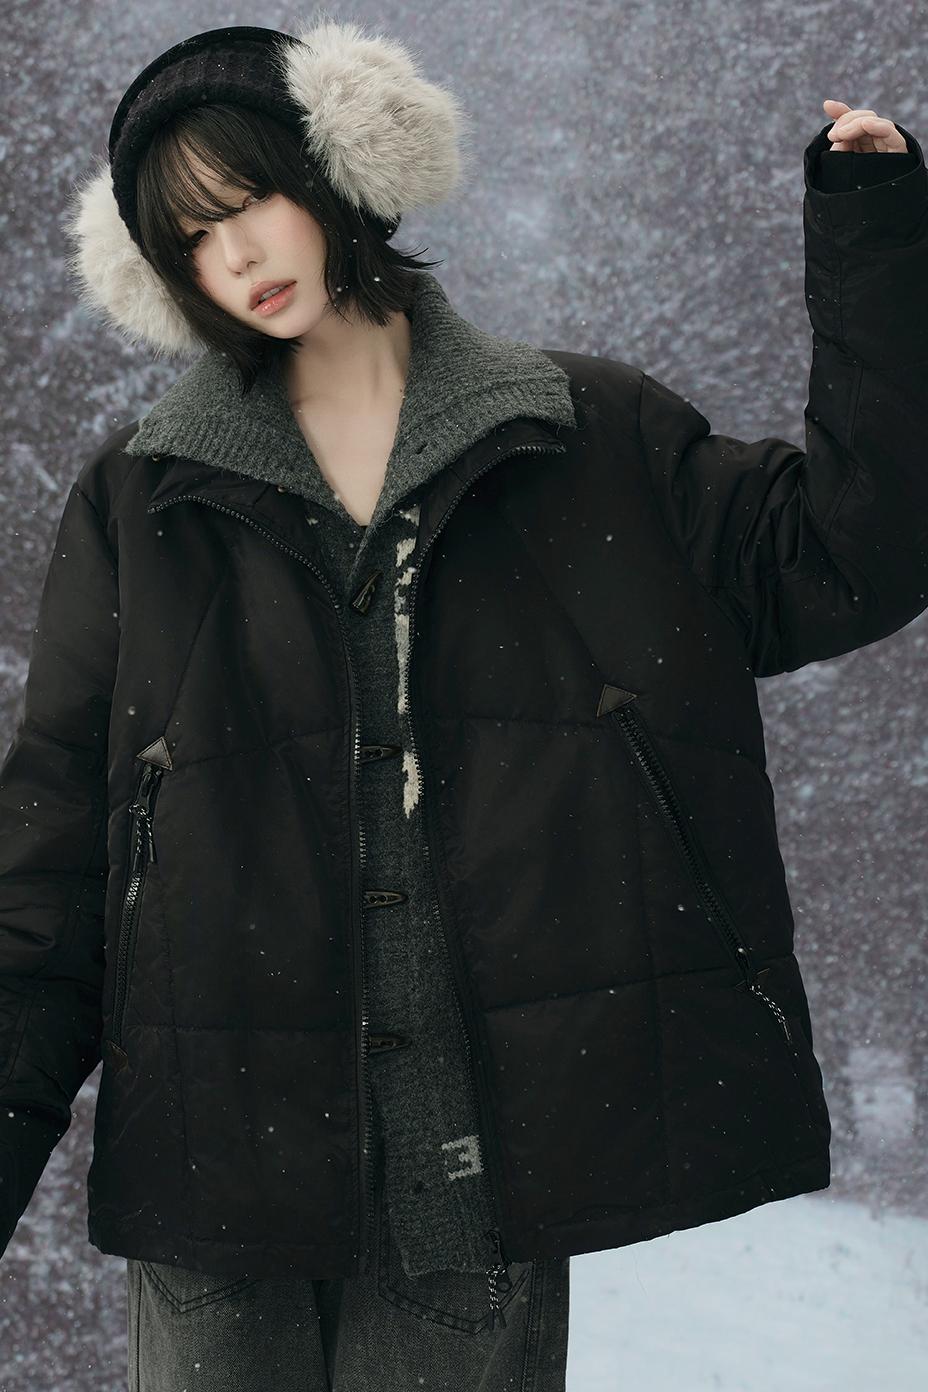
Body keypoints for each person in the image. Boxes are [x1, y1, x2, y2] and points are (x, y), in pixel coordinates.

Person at [0, 15, 924, 1392]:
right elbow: (53, 860)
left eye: (250, 199)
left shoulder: (587, 441)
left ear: (338, 175)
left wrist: (875, 239)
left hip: (473, 1185)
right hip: (212, 1185)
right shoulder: (141, 501)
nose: (236, 256)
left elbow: (859, 549)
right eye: (191, 238)